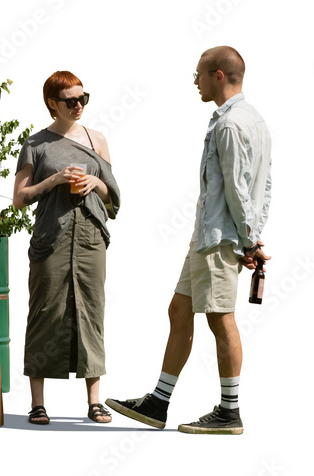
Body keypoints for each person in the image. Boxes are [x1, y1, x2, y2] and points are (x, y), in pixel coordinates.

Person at [106, 46, 272, 435]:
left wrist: (248, 241)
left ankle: (229, 412)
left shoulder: (230, 124)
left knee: (221, 319)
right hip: (210, 237)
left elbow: (236, 188)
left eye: (198, 75)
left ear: (218, 75)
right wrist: (252, 235)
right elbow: (263, 185)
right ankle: (158, 403)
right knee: (179, 311)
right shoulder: (256, 121)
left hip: (219, 237)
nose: (194, 82)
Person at [12, 71, 121, 425]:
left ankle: (94, 401)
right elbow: (19, 199)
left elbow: (114, 197)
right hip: (51, 237)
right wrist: (55, 179)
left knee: (91, 310)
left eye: (82, 99)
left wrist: (95, 183)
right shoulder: (36, 145)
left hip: (90, 237)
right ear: (51, 104)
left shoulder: (97, 140)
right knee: (44, 311)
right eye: (70, 101)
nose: (78, 106)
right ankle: (37, 403)